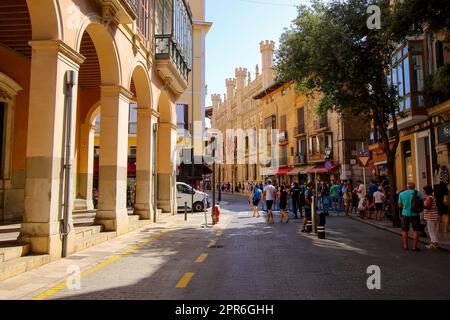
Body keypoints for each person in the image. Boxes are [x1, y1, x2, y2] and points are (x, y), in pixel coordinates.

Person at [398, 182, 423, 251]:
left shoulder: (402, 194)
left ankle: (406, 246)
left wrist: (405, 205)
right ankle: (414, 247)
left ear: (407, 187)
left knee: (405, 230)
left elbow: (399, 205)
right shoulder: (418, 193)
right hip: (415, 214)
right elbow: (421, 203)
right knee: (416, 230)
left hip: (405, 214)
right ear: (414, 187)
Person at [423, 186, 439, 250]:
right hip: (431, 216)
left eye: (424, 190)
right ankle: (433, 243)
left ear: (427, 191)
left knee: (431, 230)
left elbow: (428, 206)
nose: (423, 191)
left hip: (431, 216)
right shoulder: (430, 197)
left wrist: (421, 205)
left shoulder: (430, 198)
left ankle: (434, 243)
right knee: (431, 230)